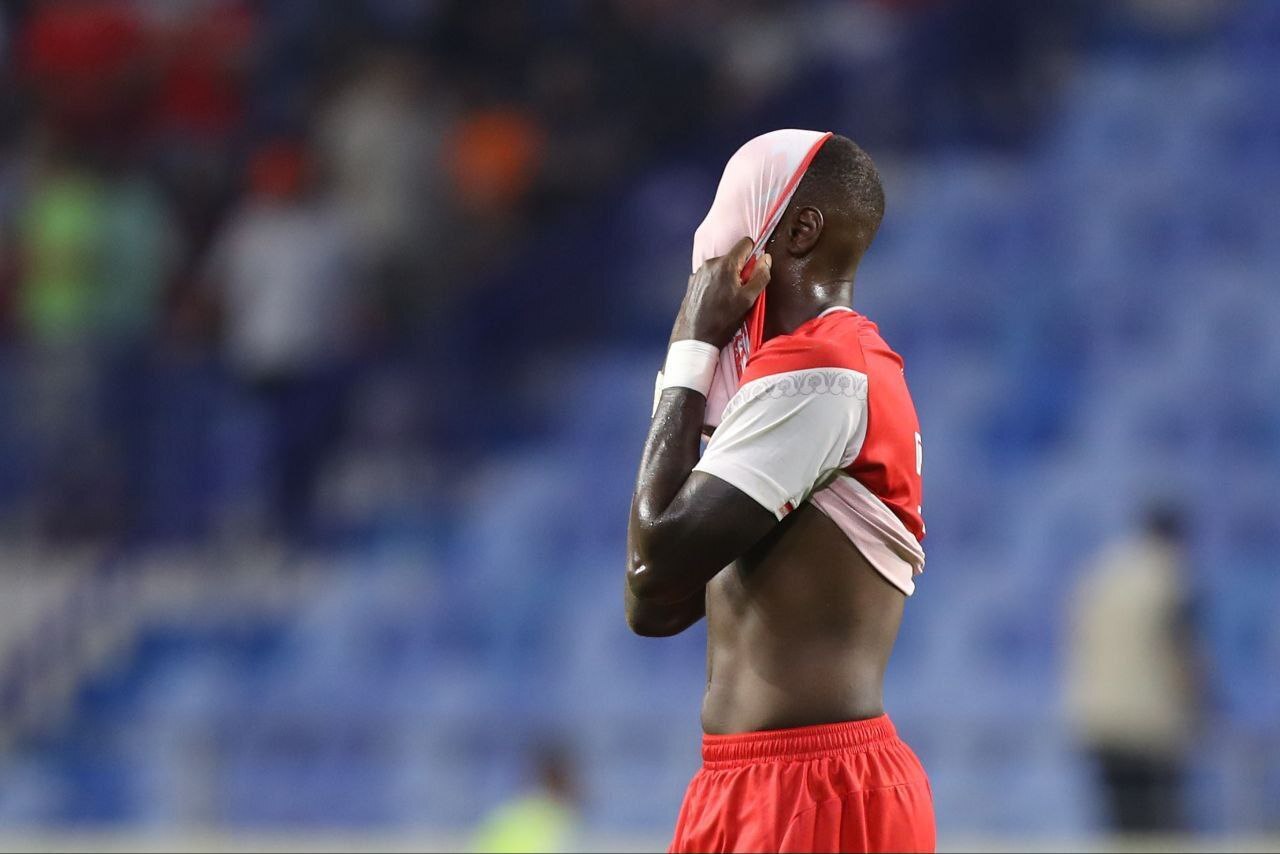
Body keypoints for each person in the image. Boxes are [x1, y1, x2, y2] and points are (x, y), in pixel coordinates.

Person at [626, 131, 934, 853]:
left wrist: (691, 350)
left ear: (798, 231)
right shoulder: (801, 374)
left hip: (810, 789)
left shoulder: (821, 371)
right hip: (746, 782)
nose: (708, 243)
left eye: (730, 210)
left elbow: (652, 564)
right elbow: (653, 609)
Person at [1065, 504, 1199, 833]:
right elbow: (1180, 650)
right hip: (1151, 722)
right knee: (1160, 829)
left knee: (1123, 827)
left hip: (1099, 718)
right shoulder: (1170, 576)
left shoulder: (1101, 572)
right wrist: (1199, 705)